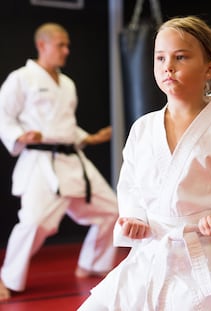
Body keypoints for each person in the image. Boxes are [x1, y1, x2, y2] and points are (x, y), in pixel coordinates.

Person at [77, 16, 211, 310]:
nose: (167, 66)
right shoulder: (143, 128)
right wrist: (135, 217)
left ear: (210, 68)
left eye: (180, 57)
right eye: (160, 58)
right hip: (154, 251)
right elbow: (132, 184)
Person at [0, 23, 119, 301]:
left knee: (111, 211)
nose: (66, 50)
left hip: (73, 161)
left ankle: (91, 264)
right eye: (61, 45)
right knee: (33, 222)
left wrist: (89, 138)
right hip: (41, 163)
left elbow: (66, 128)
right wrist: (20, 135)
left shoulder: (67, 84)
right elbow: (3, 116)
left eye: (67, 45)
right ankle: (6, 278)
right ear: (42, 45)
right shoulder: (22, 78)